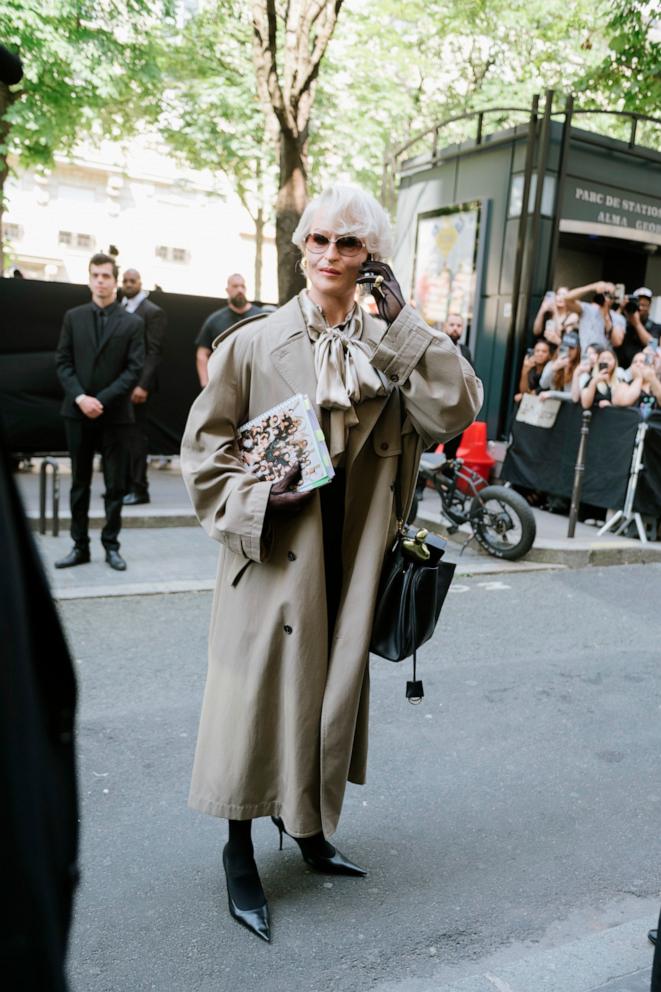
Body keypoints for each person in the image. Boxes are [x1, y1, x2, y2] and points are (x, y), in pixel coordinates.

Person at [180, 184, 482, 943]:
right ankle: (239, 849)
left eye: (348, 244)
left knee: (326, 700)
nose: (330, 256)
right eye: (319, 240)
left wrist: (405, 325)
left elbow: (455, 409)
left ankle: (309, 832)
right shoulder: (251, 343)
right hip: (276, 555)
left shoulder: (394, 345)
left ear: (370, 257)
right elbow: (203, 453)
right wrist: (255, 500)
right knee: (254, 703)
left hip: (355, 556)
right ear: (300, 246)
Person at [54, 253, 144, 572]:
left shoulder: (133, 322)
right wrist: (81, 398)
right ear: (89, 278)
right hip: (77, 413)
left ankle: (112, 546)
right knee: (79, 484)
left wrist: (100, 400)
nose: (100, 281)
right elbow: (62, 362)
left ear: (114, 280)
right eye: (95, 275)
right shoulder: (73, 317)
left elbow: (134, 369)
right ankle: (79, 546)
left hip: (115, 416)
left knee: (115, 485)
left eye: (106, 276)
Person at [120, 268, 167, 506]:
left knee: (136, 437)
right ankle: (123, 485)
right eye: (125, 281)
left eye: (132, 280)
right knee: (120, 436)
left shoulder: (152, 312)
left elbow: (154, 351)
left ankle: (139, 489)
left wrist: (142, 385)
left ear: (140, 282)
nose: (128, 284)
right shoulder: (120, 307)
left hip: (138, 386)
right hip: (119, 384)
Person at [195, 273, 262, 387]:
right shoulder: (215, 320)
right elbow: (202, 354)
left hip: (256, 380)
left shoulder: (261, 316)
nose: (240, 290)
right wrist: (206, 384)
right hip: (225, 383)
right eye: (235, 286)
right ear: (228, 290)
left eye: (242, 286)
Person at [441, 313, 474, 459]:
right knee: (428, 449)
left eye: (459, 326)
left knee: (451, 451)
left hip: (458, 408)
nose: (455, 328)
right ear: (445, 327)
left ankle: (446, 480)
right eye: (452, 325)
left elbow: (471, 375)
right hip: (438, 405)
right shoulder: (437, 345)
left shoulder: (465, 350)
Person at [564, 281, 626, 353]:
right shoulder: (587, 309)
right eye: (604, 293)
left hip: (601, 358)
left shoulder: (618, 317)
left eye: (609, 294)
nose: (605, 296)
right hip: (584, 356)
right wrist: (592, 287)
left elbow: (617, 342)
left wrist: (606, 317)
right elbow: (566, 299)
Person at [613, 288, 660, 369]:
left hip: (642, 370)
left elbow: (652, 345)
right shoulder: (622, 323)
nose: (640, 308)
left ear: (649, 306)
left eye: (643, 305)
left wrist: (637, 323)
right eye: (638, 305)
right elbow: (610, 331)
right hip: (619, 370)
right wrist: (621, 308)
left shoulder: (655, 327)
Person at [538, 330, 580, 400]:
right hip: (553, 407)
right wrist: (553, 369)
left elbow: (575, 395)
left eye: (571, 348)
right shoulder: (552, 363)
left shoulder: (580, 367)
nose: (568, 351)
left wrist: (551, 394)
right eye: (565, 347)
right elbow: (543, 385)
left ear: (578, 350)